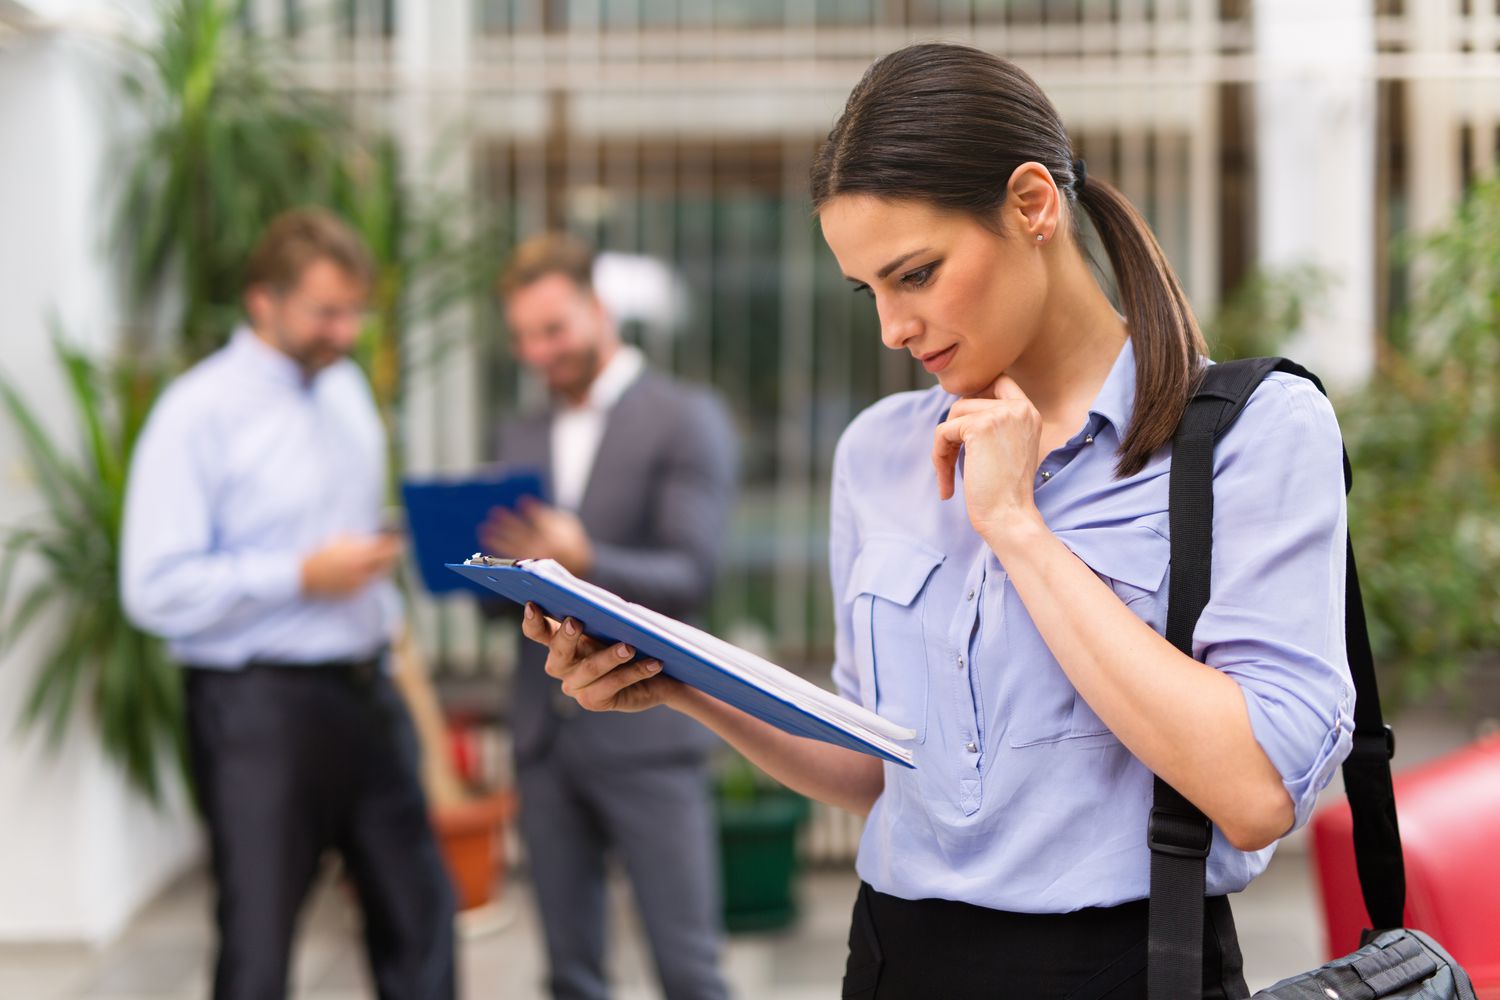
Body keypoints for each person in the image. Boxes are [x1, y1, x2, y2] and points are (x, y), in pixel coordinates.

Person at [517, 44, 1357, 999]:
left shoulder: (1251, 435)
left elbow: (1254, 794)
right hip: (892, 961)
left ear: (1034, 206)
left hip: (1131, 966)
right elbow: (879, 770)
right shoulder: (879, 453)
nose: (891, 328)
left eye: (914, 275)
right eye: (866, 289)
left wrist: (1016, 524)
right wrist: (675, 683)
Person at [121, 208, 456, 1000]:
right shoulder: (195, 414)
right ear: (262, 302)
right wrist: (300, 575)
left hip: (365, 691)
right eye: (325, 313)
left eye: (354, 312)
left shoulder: (343, 392)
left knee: (420, 918)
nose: (344, 332)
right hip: (255, 710)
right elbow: (153, 587)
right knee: (260, 939)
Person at [482, 234, 736, 1000]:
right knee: (569, 975)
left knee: (689, 970)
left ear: (599, 311)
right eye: (523, 337)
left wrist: (584, 558)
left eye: (552, 330)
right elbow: (512, 600)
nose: (537, 352)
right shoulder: (516, 434)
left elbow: (693, 575)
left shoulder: (685, 418)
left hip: (650, 735)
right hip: (543, 736)